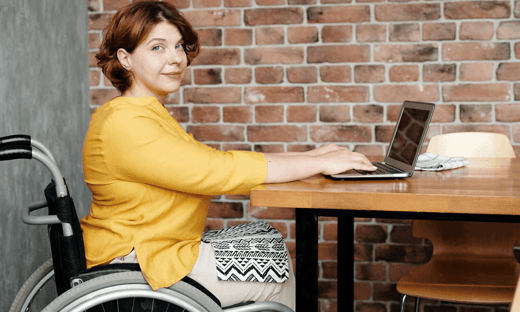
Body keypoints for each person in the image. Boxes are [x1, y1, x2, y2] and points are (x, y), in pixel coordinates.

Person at [81, 1, 376, 310]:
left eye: (179, 46)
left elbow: (210, 162)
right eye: (158, 48)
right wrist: (315, 163)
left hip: (161, 248)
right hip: (143, 259)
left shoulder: (143, 114)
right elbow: (214, 170)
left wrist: (310, 157)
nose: (175, 58)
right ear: (126, 58)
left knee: (271, 247)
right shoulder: (125, 123)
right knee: (279, 276)